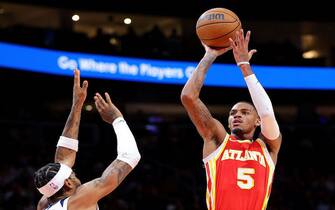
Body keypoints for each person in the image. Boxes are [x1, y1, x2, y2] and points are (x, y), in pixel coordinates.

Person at [180, 29, 282, 210]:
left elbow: (267, 113)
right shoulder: (218, 140)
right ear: (227, 122)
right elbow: (188, 97)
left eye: (245, 112)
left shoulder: (268, 147)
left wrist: (244, 66)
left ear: (257, 121)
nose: (237, 115)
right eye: (233, 113)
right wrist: (209, 55)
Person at [34, 69, 141, 210]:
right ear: (68, 183)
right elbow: (131, 156)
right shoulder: (78, 200)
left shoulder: (44, 204)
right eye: (72, 174)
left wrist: (77, 105)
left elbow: (63, 160)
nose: (74, 173)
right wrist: (117, 119)